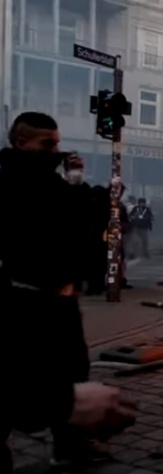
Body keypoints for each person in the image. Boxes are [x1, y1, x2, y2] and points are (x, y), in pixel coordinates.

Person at [0, 112, 136, 467]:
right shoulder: (12, 183)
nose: (56, 150)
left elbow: (82, 229)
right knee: (24, 374)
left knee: (73, 370)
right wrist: (73, 192)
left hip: (63, 298)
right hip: (26, 299)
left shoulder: (51, 181)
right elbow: (49, 228)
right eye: (47, 144)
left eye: (57, 143)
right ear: (21, 143)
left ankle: (70, 445)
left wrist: (76, 186)